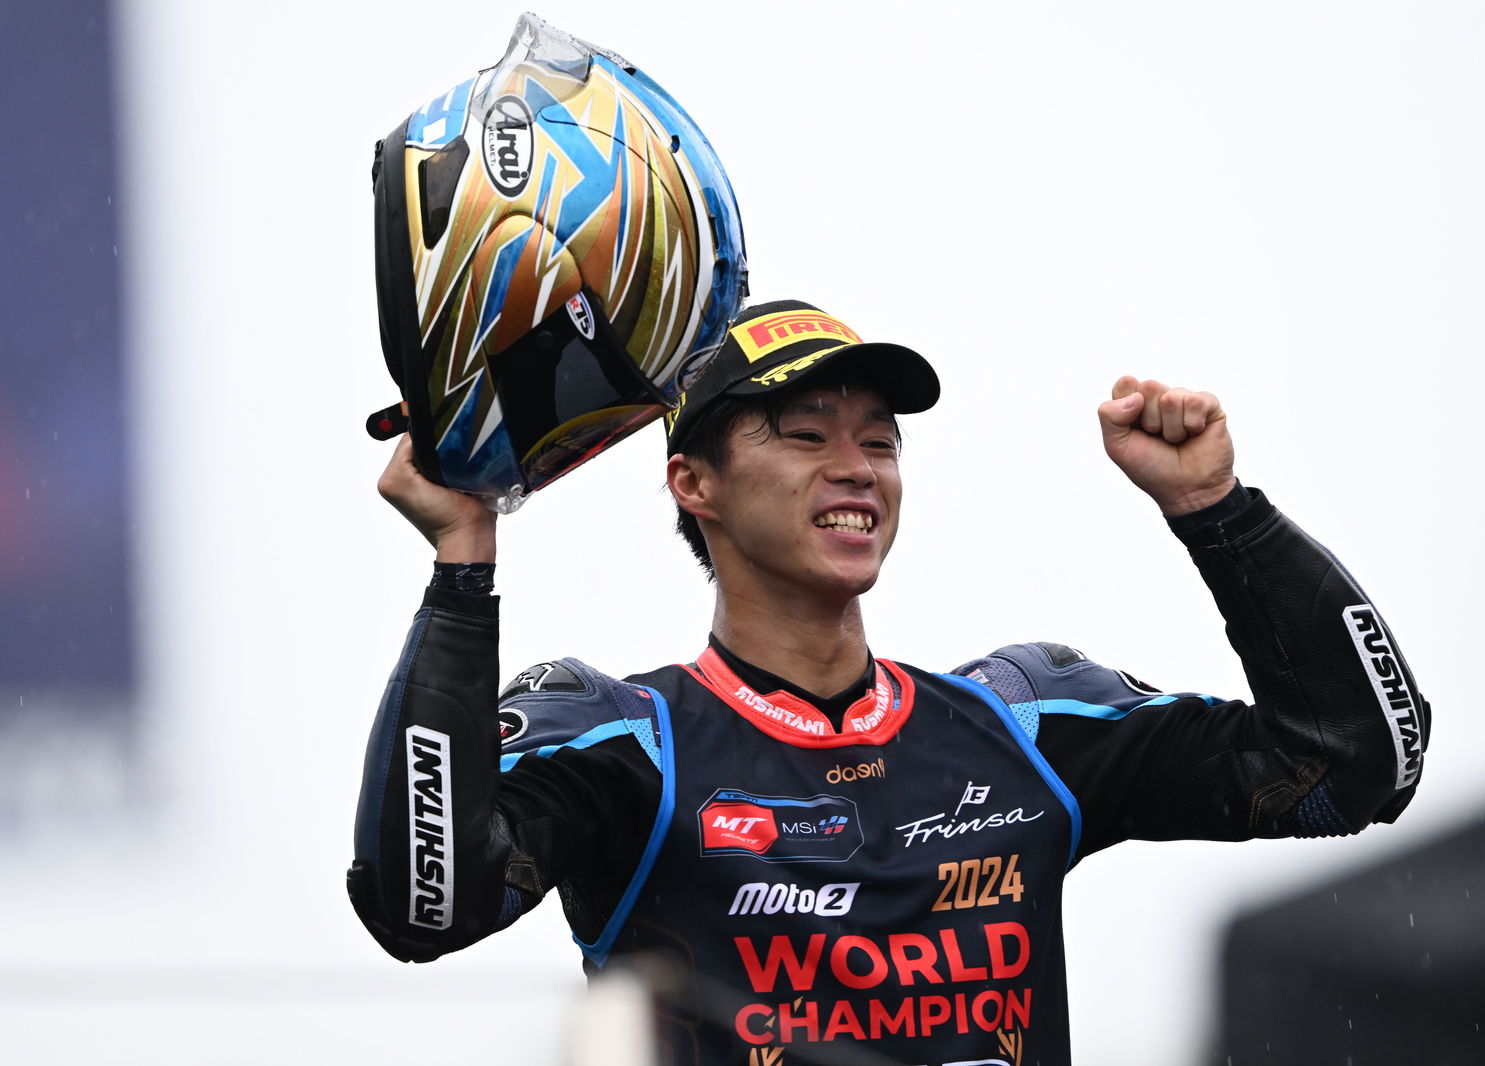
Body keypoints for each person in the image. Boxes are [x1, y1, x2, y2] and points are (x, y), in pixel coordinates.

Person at [349, 299, 1429, 1066]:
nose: (857, 466)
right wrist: (462, 564)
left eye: (880, 441)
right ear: (694, 483)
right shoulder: (628, 743)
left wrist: (1218, 511)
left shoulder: (1024, 720)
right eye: (805, 435)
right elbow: (421, 907)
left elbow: (1357, 767)